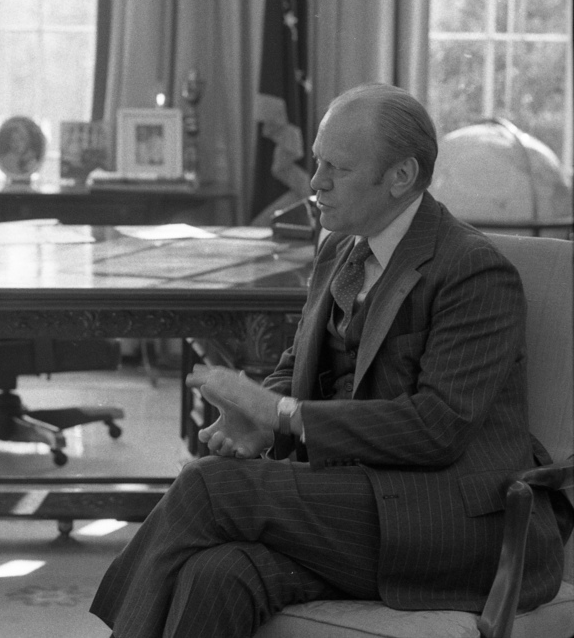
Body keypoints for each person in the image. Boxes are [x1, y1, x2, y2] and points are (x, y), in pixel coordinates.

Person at [90, 83, 573, 637]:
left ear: (401, 177)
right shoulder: (340, 250)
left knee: (207, 485)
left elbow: (437, 428)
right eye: (316, 161)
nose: (314, 182)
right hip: (355, 501)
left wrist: (283, 415)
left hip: (456, 523)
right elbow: (297, 363)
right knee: (217, 572)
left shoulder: (472, 270)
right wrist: (255, 421)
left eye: (336, 169)